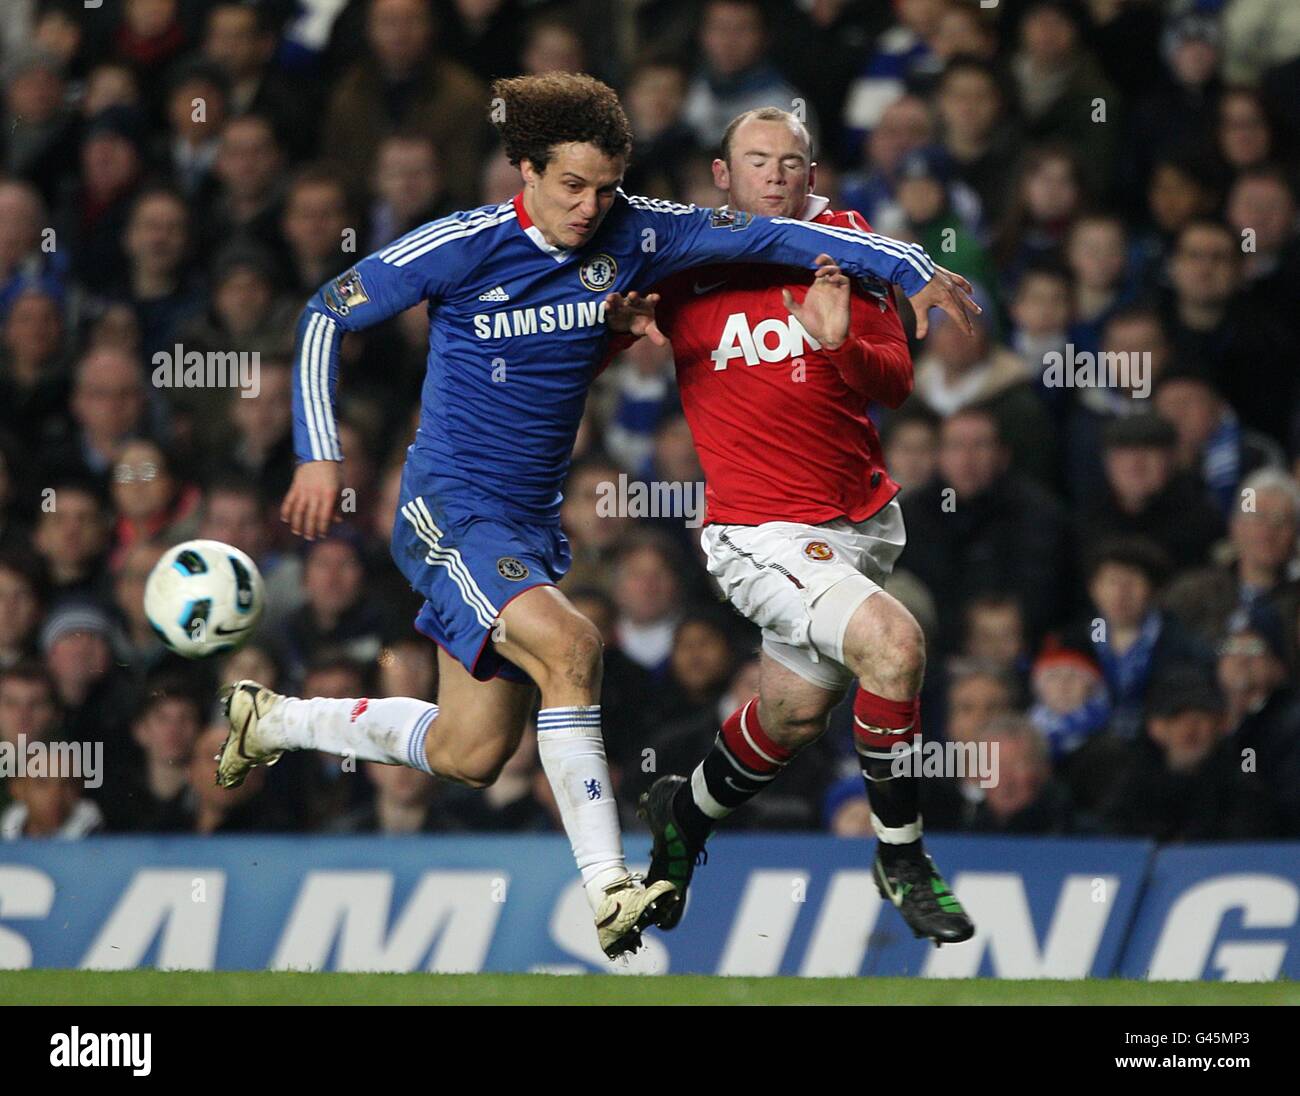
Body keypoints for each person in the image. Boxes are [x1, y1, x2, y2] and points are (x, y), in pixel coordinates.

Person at [212, 73, 979, 960]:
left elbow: (771, 230)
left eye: (606, 188)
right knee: (575, 647)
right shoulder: (464, 244)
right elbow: (323, 315)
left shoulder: (641, 232)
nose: (590, 207)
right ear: (526, 169)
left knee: (469, 750)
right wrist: (318, 451)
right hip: (450, 508)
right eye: (571, 186)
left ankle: (273, 721)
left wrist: (911, 267)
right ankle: (611, 883)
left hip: (529, 524)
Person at [604, 106, 975, 944]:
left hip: (861, 522)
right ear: (723, 175)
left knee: (793, 716)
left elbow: (895, 383)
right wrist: (614, 330)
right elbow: (593, 328)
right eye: (758, 160)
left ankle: (683, 815)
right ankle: (902, 856)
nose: (777, 173)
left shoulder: (845, 246)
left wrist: (839, 344)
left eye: (793, 162)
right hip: (757, 531)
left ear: (813, 176)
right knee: (895, 645)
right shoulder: (677, 260)